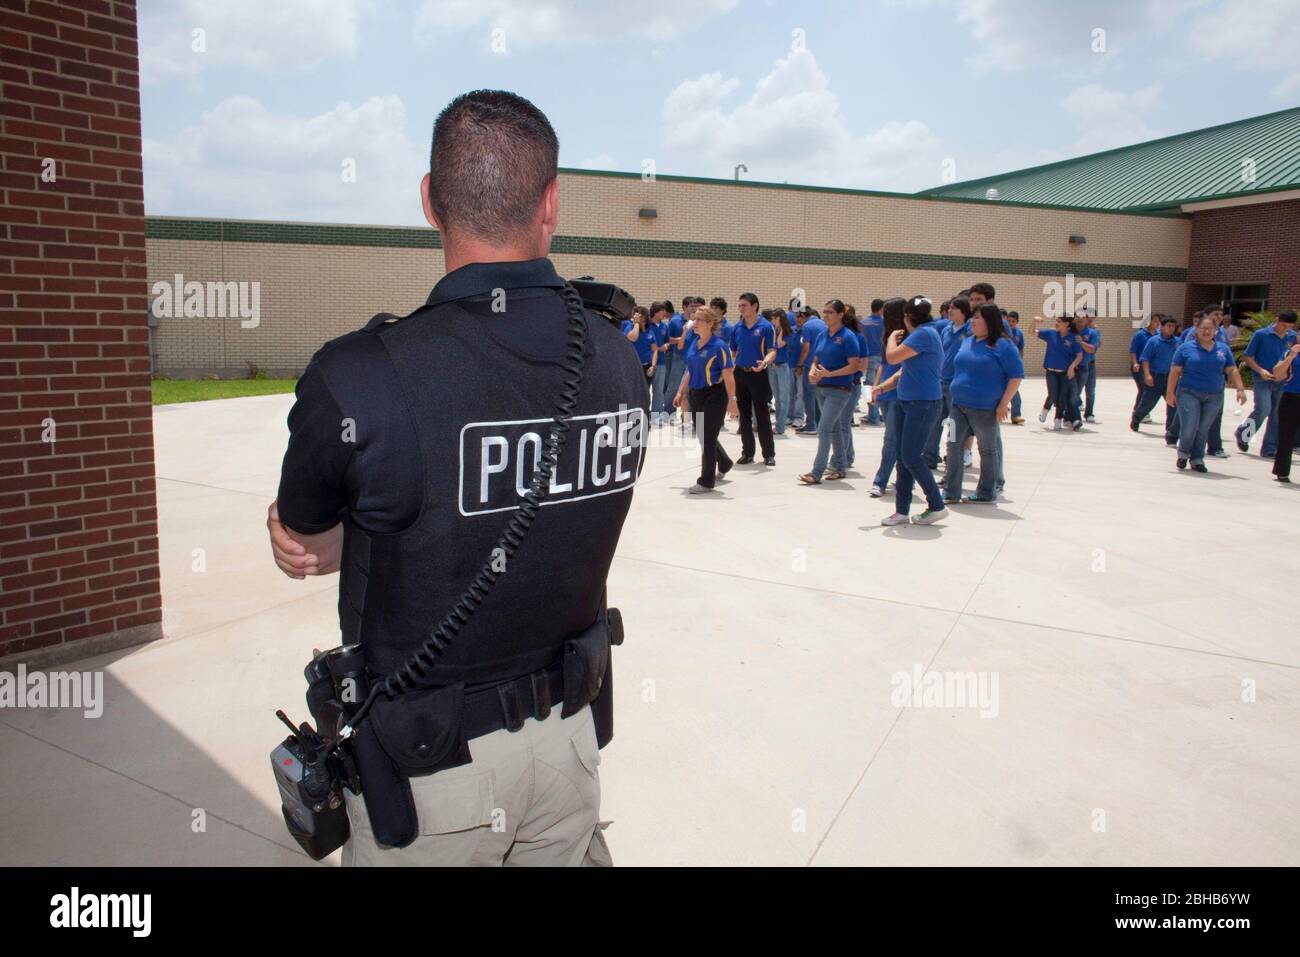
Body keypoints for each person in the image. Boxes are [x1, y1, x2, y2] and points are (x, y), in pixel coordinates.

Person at [266, 89, 646, 867]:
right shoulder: (619, 359)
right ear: (551, 204)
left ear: (430, 202)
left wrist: (334, 534)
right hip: (569, 744)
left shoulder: (358, 377)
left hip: (430, 774)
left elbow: (302, 541)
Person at [943, 303, 1024, 503]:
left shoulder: (1004, 346)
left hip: (985, 409)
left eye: (978, 317)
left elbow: (1016, 376)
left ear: (990, 321)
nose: (973, 321)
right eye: (973, 317)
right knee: (953, 446)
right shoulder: (967, 341)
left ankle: (986, 492)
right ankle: (951, 492)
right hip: (957, 407)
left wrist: (1004, 403)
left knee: (987, 450)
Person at [880, 297, 948, 525]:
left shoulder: (923, 334)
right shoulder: (924, 334)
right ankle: (902, 511)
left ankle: (936, 505)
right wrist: (882, 387)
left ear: (907, 317)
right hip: (907, 401)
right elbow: (905, 371)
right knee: (902, 457)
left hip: (922, 404)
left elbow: (892, 357)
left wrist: (891, 339)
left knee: (910, 456)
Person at [1167, 314, 1247, 472]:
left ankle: (1197, 459)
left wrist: (1240, 389)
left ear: (1216, 331)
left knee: (1203, 428)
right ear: (1196, 330)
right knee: (1190, 426)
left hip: (1214, 395)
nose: (1207, 331)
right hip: (1189, 392)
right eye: (1203, 328)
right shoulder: (1185, 348)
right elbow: (1175, 371)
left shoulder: (1223, 349)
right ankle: (1183, 454)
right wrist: (1170, 392)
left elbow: (1231, 369)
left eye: (1211, 329)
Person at [674, 304, 738, 492]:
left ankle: (706, 481)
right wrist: (681, 392)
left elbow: (728, 374)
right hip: (696, 394)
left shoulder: (719, 346)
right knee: (703, 435)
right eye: (694, 318)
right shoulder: (695, 342)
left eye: (699, 319)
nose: (695, 321)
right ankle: (724, 462)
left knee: (708, 438)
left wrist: (732, 400)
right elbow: (690, 372)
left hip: (714, 395)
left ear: (710, 323)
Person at [798, 299, 862, 484]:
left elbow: (854, 366)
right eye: (824, 311)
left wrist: (830, 373)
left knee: (824, 429)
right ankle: (840, 467)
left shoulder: (848, 337)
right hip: (822, 388)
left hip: (840, 389)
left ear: (841, 315)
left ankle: (816, 472)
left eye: (830, 312)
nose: (825, 315)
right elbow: (816, 359)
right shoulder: (822, 335)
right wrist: (812, 372)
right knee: (833, 429)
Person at [1235, 310, 1298, 458]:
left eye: (1289, 326)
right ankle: (1243, 433)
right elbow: (1248, 356)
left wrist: (1288, 374)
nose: (1286, 329)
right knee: (1263, 409)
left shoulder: (1293, 337)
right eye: (1283, 325)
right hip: (1262, 378)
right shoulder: (1261, 334)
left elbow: (1293, 358)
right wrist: (1261, 370)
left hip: (1282, 381)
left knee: (1277, 414)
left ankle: (1269, 448)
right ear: (1277, 320)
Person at [729, 292, 778, 465]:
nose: (741, 308)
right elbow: (732, 352)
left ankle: (769, 454)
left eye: (744, 305)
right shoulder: (737, 327)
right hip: (740, 374)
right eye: (739, 305)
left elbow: (772, 350)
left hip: (758, 374)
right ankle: (747, 453)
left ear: (755, 306)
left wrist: (764, 363)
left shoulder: (766, 327)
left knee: (762, 414)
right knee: (744, 416)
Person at [924, 296, 971, 469]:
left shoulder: (969, 332)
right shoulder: (946, 329)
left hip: (956, 385)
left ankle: (952, 460)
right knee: (934, 422)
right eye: (949, 307)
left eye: (954, 308)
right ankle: (929, 457)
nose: (949, 311)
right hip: (940, 382)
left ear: (964, 312)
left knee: (953, 426)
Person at [869, 298, 907, 498]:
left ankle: (880, 480)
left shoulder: (906, 337)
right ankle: (903, 478)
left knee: (891, 439)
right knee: (896, 439)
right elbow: (883, 365)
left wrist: (882, 387)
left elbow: (903, 369)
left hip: (897, 394)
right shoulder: (889, 335)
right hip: (885, 392)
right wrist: (876, 387)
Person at [1131, 314, 1180, 436]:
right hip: (1156, 376)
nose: (1171, 328)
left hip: (1171, 377)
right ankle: (1136, 418)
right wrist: (1147, 375)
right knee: (1148, 402)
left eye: (1173, 326)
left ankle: (1170, 430)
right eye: (1169, 326)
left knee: (1173, 403)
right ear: (1162, 327)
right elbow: (1145, 359)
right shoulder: (1153, 341)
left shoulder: (1178, 342)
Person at [1031, 314, 1082, 430]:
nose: (1056, 323)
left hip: (1065, 373)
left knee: (1062, 397)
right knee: (1053, 395)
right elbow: (1032, 332)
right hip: (1051, 371)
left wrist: (1071, 367)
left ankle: (1058, 419)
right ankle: (1045, 409)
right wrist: (1034, 321)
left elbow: (1079, 356)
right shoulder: (1050, 334)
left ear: (1067, 324)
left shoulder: (1073, 338)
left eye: (1059, 321)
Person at [1270, 337, 1300, 483]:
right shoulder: (1289, 353)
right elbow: (1277, 374)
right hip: (1291, 398)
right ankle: (1282, 472)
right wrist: (1291, 357)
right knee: (1286, 437)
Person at [795, 306, 827, 433]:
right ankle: (819, 424)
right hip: (823, 364)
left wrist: (799, 365)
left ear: (803, 316)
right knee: (818, 396)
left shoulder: (807, 326)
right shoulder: (823, 323)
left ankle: (811, 425)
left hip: (810, 365)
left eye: (797, 317)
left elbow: (805, 349)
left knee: (808, 396)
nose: (797, 320)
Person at [768, 308, 798, 436]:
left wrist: (780, 330)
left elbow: (779, 345)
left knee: (783, 398)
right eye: (772, 319)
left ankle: (780, 426)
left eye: (776, 318)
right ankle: (778, 423)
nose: (773, 321)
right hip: (771, 367)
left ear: (781, 319)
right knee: (776, 398)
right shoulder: (771, 331)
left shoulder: (789, 333)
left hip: (782, 366)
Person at [1129, 313, 1160, 419]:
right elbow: (1133, 350)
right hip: (1140, 365)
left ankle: (1141, 411)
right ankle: (1138, 411)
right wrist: (1135, 363)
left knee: (1148, 390)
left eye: (1158, 321)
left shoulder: (1158, 335)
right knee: (1143, 388)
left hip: (1152, 367)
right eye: (1155, 321)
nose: (1157, 323)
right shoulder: (1140, 335)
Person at [861, 298, 885, 425]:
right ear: (881, 309)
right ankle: (879, 415)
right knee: (881, 386)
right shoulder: (884, 323)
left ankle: (873, 416)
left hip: (869, 357)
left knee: (869, 386)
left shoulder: (864, 323)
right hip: (881, 357)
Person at [1076, 309, 1101, 423]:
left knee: (1090, 389)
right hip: (1078, 363)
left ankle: (1089, 413)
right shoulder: (1076, 329)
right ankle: (1075, 408)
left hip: (1090, 362)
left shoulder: (1094, 331)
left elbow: (1095, 347)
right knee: (1076, 388)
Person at [1006, 311, 1025, 424]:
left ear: (1017, 322)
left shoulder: (1019, 334)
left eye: (1013, 321)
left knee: (1014, 392)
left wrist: (1019, 362)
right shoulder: (1001, 332)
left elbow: (1021, 348)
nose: (1011, 323)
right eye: (1009, 321)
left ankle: (1016, 415)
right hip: (1001, 365)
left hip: (1013, 366)